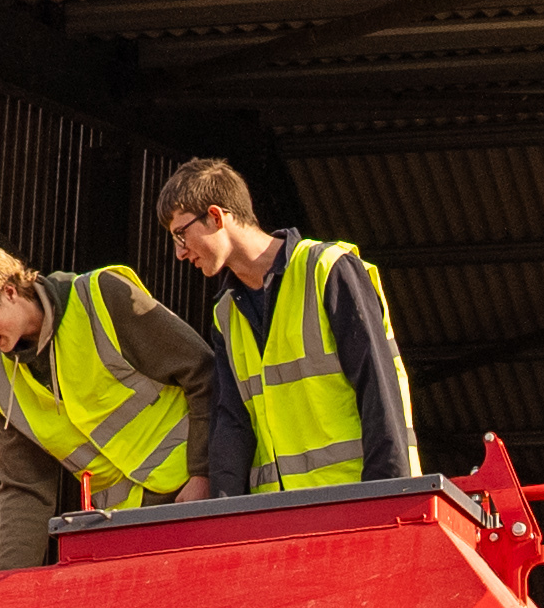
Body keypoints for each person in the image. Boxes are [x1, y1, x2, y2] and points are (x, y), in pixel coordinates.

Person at [0, 234, 234, 569]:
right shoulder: (0, 384)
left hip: (196, 501)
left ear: (9, 291)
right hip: (124, 533)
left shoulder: (102, 299)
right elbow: (24, 489)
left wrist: (203, 476)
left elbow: (203, 372)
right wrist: (11, 587)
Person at [157, 158, 419, 499]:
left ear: (217, 216)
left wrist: (385, 498)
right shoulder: (226, 315)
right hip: (284, 518)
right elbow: (232, 426)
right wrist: (222, 516)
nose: (179, 253)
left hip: (356, 502)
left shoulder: (327, 270)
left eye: (181, 233)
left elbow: (378, 388)